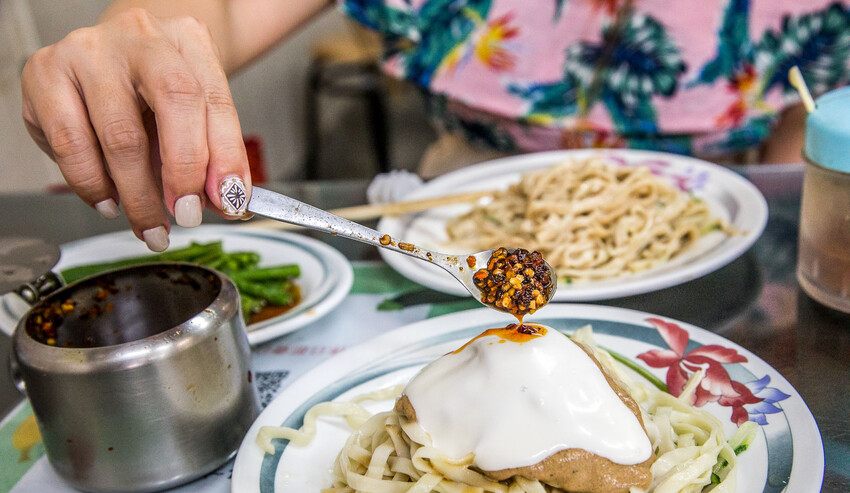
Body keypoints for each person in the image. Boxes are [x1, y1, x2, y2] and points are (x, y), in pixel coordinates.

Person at [21, 0, 850, 251]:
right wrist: (135, 38)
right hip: (455, 227)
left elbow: (802, 150)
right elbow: (226, 12)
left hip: (712, 233)